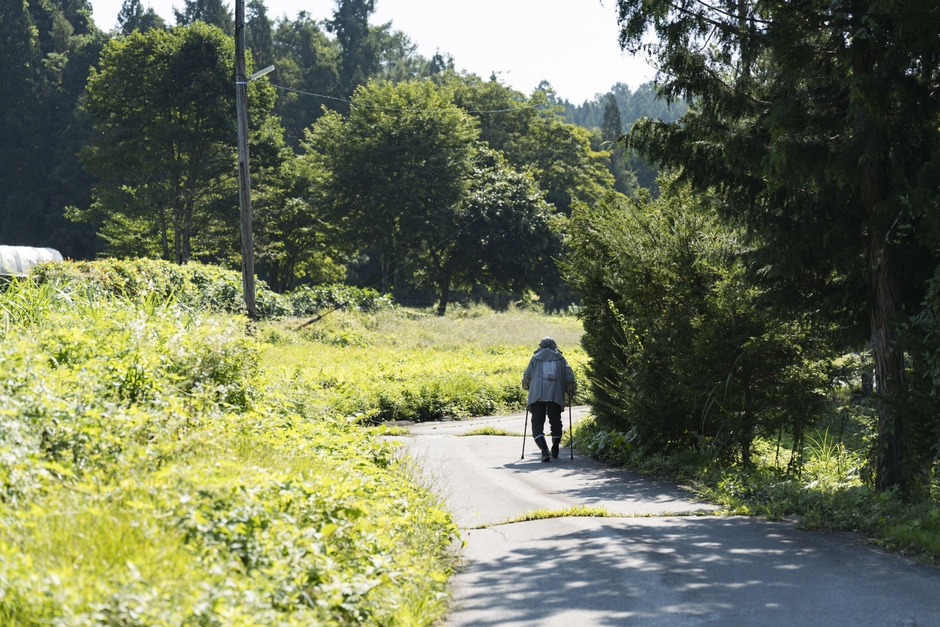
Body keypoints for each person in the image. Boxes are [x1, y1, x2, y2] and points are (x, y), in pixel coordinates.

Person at [522, 337, 576, 462]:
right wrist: (570, 388)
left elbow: (526, 376)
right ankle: (555, 448)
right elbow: (569, 375)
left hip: (537, 394)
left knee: (537, 423)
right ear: (554, 345)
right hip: (555, 393)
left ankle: (544, 451)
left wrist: (527, 385)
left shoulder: (535, 359)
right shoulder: (561, 359)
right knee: (556, 421)